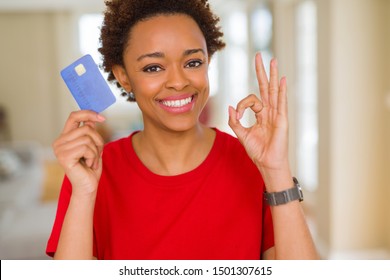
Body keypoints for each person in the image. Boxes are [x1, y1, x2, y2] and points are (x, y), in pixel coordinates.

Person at [46, 0, 318, 260]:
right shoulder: (91, 173)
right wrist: (84, 194)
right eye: (153, 67)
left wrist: (277, 171)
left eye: (193, 63)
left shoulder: (253, 165)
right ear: (124, 77)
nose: (178, 82)